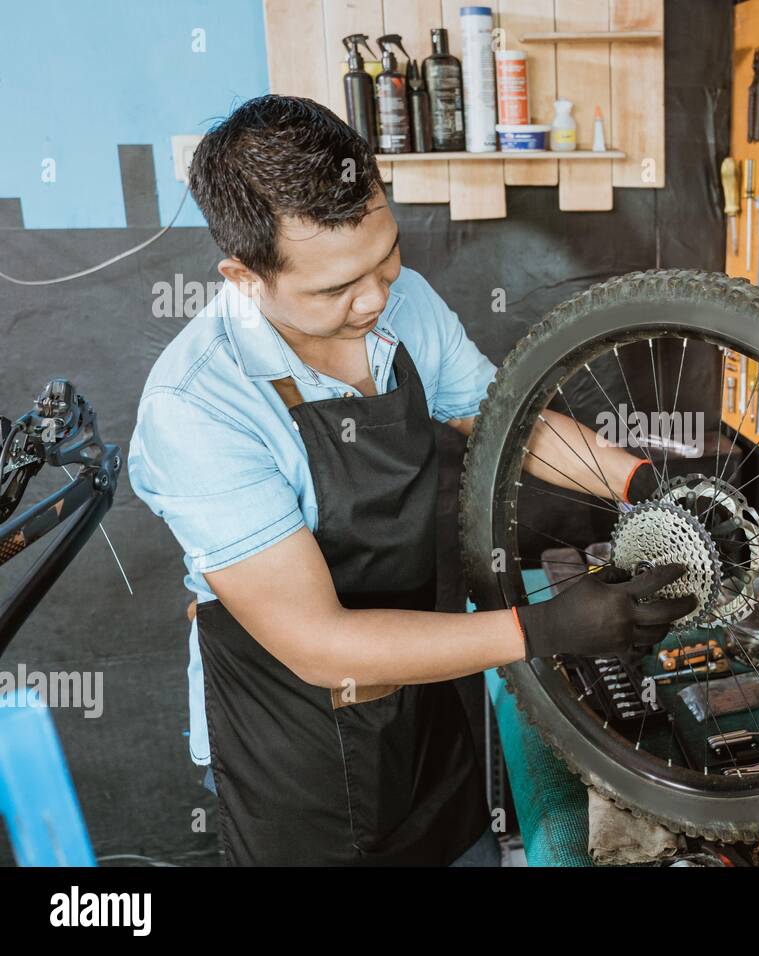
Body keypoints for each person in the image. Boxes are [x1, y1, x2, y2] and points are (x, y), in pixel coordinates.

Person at [128, 95, 686, 866]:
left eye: (385, 257)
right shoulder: (197, 409)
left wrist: (644, 486)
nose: (376, 300)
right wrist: (547, 629)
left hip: (432, 693)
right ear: (243, 274)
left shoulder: (405, 302)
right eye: (335, 290)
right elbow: (321, 647)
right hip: (302, 757)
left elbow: (507, 426)